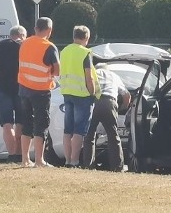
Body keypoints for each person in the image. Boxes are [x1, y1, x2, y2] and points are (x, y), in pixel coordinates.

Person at [18, 17, 60, 168]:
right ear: (49, 30)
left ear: (35, 28)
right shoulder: (49, 46)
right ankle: (39, 160)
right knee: (41, 124)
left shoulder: (24, 43)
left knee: (26, 123)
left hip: (24, 88)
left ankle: (24, 159)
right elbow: (57, 69)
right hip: (41, 90)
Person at [0, 25, 27, 163]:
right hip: (22, 87)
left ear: (11, 35)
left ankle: (12, 154)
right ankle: (20, 154)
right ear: (22, 35)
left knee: (7, 124)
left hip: (3, 89)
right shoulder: (26, 46)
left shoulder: (0, 45)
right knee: (21, 121)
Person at [59, 25, 99, 168]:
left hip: (67, 92)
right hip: (82, 95)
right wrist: (93, 92)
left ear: (74, 36)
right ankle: (75, 161)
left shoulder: (64, 51)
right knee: (79, 130)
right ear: (86, 38)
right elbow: (89, 76)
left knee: (67, 129)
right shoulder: (85, 52)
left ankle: (67, 160)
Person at [82, 63, 131, 171]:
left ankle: (88, 166)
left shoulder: (92, 73)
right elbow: (126, 95)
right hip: (109, 102)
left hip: (93, 102)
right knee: (113, 135)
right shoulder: (114, 76)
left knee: (89, 135)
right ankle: (117, 166)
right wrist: (123, 107)